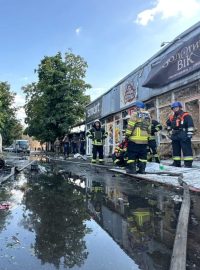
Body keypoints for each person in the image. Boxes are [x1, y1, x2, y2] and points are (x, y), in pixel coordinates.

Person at [125, 101, 151, 174]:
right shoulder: (148, 116)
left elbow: (130, 126)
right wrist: (147, 137)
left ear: (137, 107)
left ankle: (132, 170)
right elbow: (149, 128)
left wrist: (127, 135)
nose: (135, 108)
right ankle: (142, 170)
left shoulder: (135, 114)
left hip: (134, 139)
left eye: (135, 107)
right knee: (143, 155)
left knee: (132, 155)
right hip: (144, 140)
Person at [166, 101, 194, 168]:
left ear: (180, 107)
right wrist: (169, 131)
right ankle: (176, 163)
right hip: (175, 134)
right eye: (173, 108)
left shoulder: (186, 115)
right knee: (175, 149)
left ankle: (188, 164)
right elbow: (168, 124)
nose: (175, 109)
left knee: (186, 149)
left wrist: (189, 134)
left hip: (183, 134)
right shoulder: (171, 117)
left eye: (176, 107)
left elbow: (190, 125)